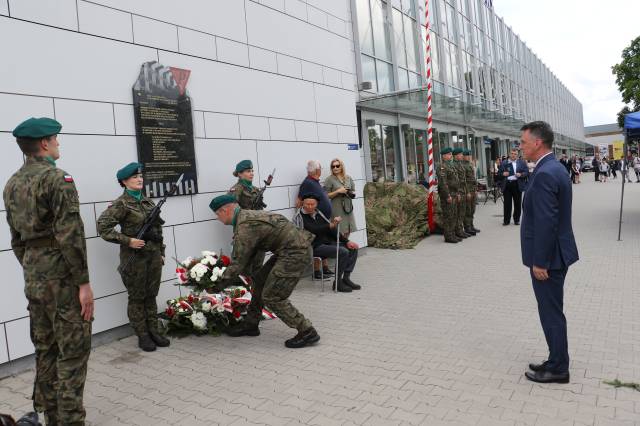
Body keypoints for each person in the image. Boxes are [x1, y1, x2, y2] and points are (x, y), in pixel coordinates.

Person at [3, 117, 94, 425]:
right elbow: (71, 235)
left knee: (45, 347)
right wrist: (83, 284)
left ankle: (50, 416)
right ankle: (71, 420)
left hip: (33, 272)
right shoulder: (58, 179)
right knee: (72, 350)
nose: (58, 144)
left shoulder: (12, 184)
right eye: (55, 139)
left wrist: (34, 266)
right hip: (62, 273)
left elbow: (16, 239)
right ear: (44, 143)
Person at [209, 195, 320, 348]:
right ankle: (251, 324)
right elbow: (252, 254)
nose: (217, 218)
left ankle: (307, 331)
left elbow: (238, 264)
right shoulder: (247, 216)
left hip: (295, 252)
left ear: (225, 210)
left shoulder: (244, 227)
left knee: (272, 296)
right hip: (289, 249)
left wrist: (214, 286)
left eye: (217, 214)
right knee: (260, 281)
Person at [519, 121, 578, 384]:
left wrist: (539, 262)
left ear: (537, 143)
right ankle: (555, 358)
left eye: (523, 142)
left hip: (549, 259)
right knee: (552, 309)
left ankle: (558, 368)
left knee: (550, 312)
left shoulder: (544, 173)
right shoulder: (553, 167)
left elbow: (546, 222)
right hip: (557, 254)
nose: (520, 147)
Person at [97, 163, 170, 352]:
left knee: (151, 295)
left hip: (153, 256)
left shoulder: (148, 202)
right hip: (134, 258)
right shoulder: (121, 204)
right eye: (134, 177)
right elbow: (103, 227)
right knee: (137, 297)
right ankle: (143, 335)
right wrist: (128, 240)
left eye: (140, 176)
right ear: (124, 181)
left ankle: (154, 330)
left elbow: (157, 230)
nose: (139, 179)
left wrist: (161, 252)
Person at [299, 193, 360, 292]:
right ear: (302, 203)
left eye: (312, 204)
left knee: (352, 248)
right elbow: (313, 229)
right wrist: (330, 225)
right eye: (307, 204)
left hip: (326, 244)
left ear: (317, 204)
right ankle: (337, 282)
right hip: (313, 247)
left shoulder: (319, 214)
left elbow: (331, 230)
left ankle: (346, 278)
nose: (310, 207)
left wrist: (347, 241)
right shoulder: (300, 217)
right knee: (343, 252)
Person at [228, 159, 266, 277]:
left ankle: (257, 292)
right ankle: (246, 293)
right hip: (245, 233)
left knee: (258, 265)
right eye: (248, 171)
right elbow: (231, 210)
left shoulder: (255, 189)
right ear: (239, 174)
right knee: (244, 267)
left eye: (252, 171)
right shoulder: (236, 189)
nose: (252, 173)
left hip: (258, 231)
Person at [298, 160, 333, 278]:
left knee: (325, 241)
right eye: (321, 168)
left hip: (321, 218)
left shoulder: (315, 182)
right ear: (317, 170)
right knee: (318, 243)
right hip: (314, 220)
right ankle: (317, 271)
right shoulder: (307, 183)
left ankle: (325, 268)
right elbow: (299, 201)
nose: (321, 170)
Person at [324, 158, 357, 238]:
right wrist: (338, 191)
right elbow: (326, 195)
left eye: (337, 166)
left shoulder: (348, 178)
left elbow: (353, 190)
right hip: (337, 208)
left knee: (348, 230)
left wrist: (350, 193)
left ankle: (346, 248)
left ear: (341, 166)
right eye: (333, 166)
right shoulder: (329, 179)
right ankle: (341, 249)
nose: (335, 168)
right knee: (340, 231)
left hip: (348, 207)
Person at [436, 147, 461, 243]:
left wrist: (458, 193)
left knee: (454, 214)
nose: (451, 156)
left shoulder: (450, 166)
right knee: (448, 216)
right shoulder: (441, 166)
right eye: (449, 154)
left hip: (454, 193)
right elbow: (443, 183)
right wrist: (447, 196)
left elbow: (456, 181)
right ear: (444, 156)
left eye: (451, 154)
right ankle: (448, 236)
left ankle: (452, 234)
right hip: (448, 195)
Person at [497, 149, 529, 225]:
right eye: (512, 153)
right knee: (507, 204)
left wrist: (521, 175)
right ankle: (506, 220)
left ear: (517, 155)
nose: (513, 155)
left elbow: (526, 172)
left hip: (517, 184)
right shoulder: (504, 162)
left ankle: (516, 219)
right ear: (509, 154)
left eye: (515, 154)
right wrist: (503, 174)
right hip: (507, 184)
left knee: (517, 203)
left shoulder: (521, 162)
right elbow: (499, 173)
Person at [452, 148, 473, 237]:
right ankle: (460, 230)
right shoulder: (455, 165)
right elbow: (456, 181)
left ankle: (466, 228)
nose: (463, 156)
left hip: (465, 190)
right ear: (456, 155)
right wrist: (459, 193)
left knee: (466, 211)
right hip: (459, 192)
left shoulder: (461, 164)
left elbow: (465, 180)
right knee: (460, 213)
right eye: (461, 154)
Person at [462, 149, 480, 234]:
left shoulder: (470, 165)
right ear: (463, 156)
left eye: (469, 156)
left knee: (472, 209)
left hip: (473, 190)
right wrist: (467, 191)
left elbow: (473, 179)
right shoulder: (463, 166)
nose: (469, 157)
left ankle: (471, 225)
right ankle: (467, 227)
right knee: (468, 210)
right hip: (468, 190)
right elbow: (464, 180)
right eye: (467, 155)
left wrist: (476, 189)